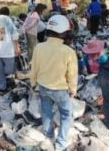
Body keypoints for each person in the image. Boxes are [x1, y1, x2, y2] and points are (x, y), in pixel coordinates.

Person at [30, 15, 78, 151]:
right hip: (61, 90)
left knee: (46, 112)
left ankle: (49, 135)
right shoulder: (69, 51)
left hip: (43, 87)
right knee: (66, 114)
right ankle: (61, 143)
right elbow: (72, 74)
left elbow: (34, 67)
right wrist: (73, 89)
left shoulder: (39, 47)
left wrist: (33, 83)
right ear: (64, 32)